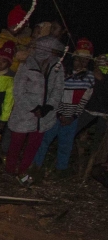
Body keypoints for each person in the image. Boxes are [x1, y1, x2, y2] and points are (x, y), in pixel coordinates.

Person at [4, 33, 64, 180]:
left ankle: (24, 172)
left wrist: (48, 107)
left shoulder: (57, 66)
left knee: (34, 144)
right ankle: (9, 170)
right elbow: (18, 89)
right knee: (17, 141)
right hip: (25, 112)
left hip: (44, 115)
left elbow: (58, 89)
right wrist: (33, 107)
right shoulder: (27, 64)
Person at [34, 39, 96, 172]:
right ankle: (36, 166)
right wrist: (60, 114)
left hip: (72, 117)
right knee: (44, 140)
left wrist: (73, 116)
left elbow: (84, 101)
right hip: (55, 114)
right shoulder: (63, 73)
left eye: (85, 60)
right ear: (73, 59)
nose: (80, 63)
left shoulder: (90, 77)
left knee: (65, 145)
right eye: (78, 59)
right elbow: (56, 95)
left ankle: (61, 170)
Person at [0, 3, 34, 72]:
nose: (14, 28)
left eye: (16, 26)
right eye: (12, 25)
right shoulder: (3, 38)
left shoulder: (27, 41)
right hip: (5, 71)